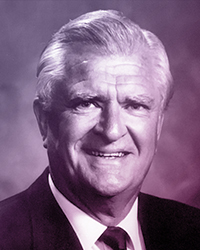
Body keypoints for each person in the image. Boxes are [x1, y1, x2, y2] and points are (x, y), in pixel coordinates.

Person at [0, 9, 200, 250]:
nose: (112, 130)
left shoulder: (192, 231)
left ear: (158, 125)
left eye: (135, 105)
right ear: (44, 121)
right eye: (87, 103)